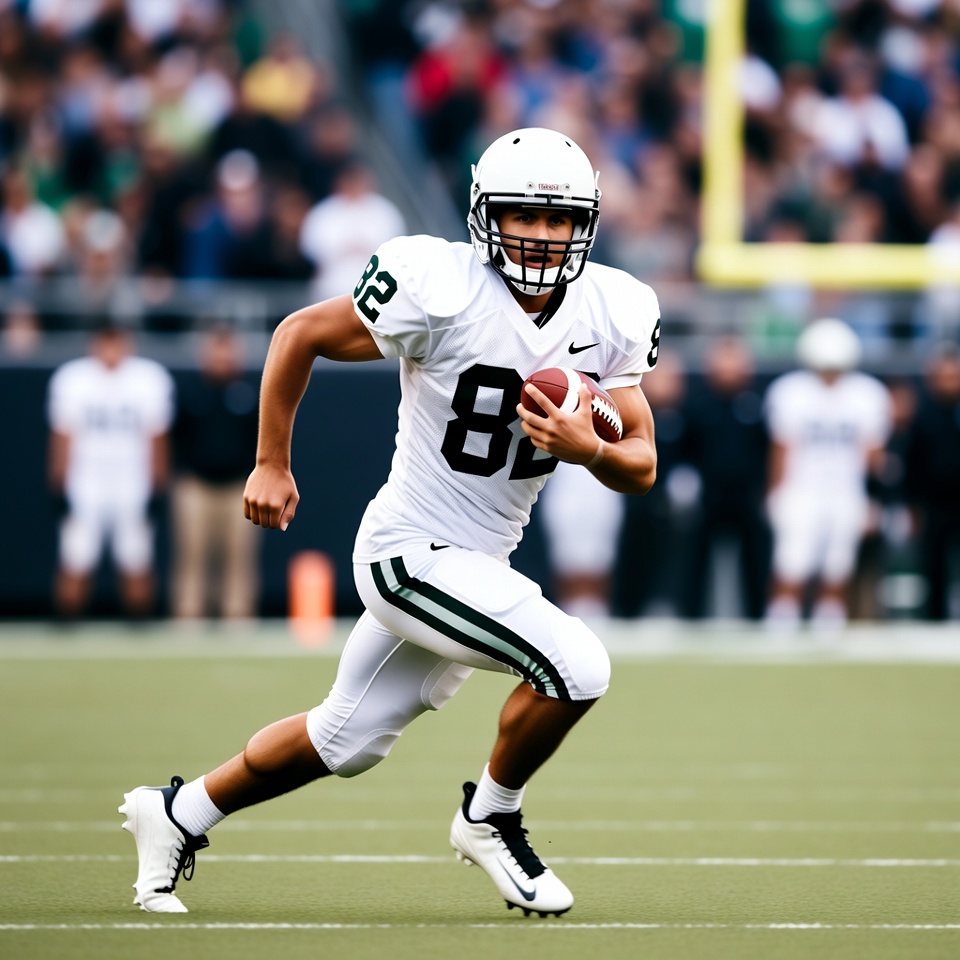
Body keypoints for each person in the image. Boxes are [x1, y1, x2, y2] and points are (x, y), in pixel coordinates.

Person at [119, 127, 660, 917]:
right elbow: (298, 333)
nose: (541, 237)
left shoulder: (614, 307)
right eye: (522, 216)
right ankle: (491, 816)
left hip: (479, 561)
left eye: (558, 221)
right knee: (578, 666)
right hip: (409, 551)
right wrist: (272, 460)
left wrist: (589, 448)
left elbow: (641, 462)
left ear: (587, 225)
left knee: (345, 741)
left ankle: (175, 814)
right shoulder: (437, 283)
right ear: (483, 215)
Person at [763, 317, 891, 628]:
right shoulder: (790, 391)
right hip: (801, 487)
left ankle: (829, 620)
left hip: (845, 489)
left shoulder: (867, 393)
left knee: (838, 561)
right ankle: (783, 618)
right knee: (792, 558)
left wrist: (873, 498)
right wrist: (776, 490)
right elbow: (782, 448)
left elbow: (873, 455)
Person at [47, 323, 175, 618]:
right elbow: (62, 438)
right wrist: (59, 485)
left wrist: (157, 486)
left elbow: (157, 438)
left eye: (116, 343)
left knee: (136, 560)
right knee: (76, 559)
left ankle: (139, 626)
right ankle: (67, 624)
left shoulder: (149, 379)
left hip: (133, 482)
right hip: (85, 482)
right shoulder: (72, 379)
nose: (111, 351)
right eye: (105, 343)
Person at [170, 327, 261, 620]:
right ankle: (188, 618)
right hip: (196, 486)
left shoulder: (249, 392)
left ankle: (238, 619)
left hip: (239, 488)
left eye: (227, 350)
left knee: (240, 559)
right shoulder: (190, 391)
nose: (222, 357)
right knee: (191, 557)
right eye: (216, 349)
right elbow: (176, 438)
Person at [682, 337, 771, 620]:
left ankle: (758, 617)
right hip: (708, 494)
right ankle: (692, 617)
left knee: (755, 558)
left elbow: (768, 449)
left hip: (748, 494)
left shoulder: (758, 403)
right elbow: (686, 447)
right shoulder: (698, 403)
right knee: (696, 557)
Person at [903, 342, 960, 620]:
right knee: (934, 566)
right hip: (934, 504)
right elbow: (913, 463)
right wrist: (912, 505)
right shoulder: (924, 415)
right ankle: (934, 620)